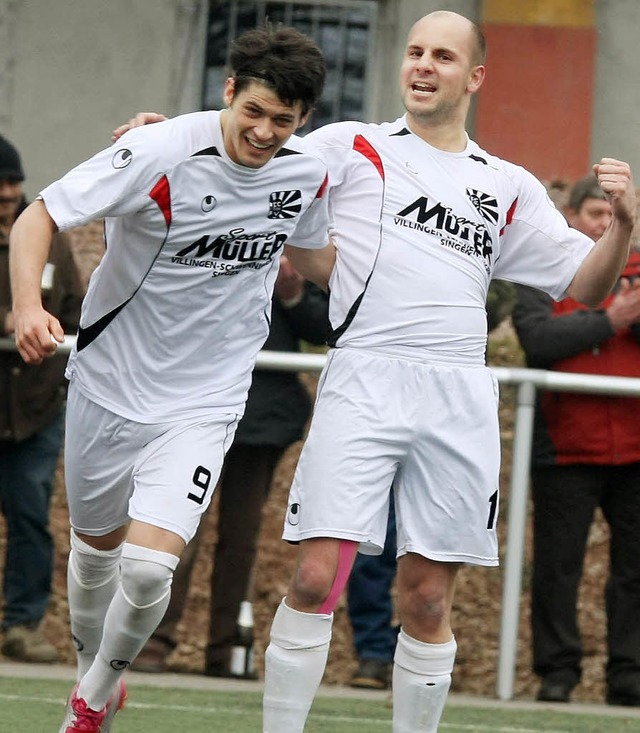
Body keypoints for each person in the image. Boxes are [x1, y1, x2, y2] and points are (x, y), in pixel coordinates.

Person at [117, 14, 636, 731]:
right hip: (363, 380)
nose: (424, 65)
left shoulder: (506, 183)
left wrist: (623, 227)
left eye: (444, 56)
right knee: (312, 576)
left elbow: (583, 284)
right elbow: (254, 137)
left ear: (474, 77)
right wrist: (162, 137)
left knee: (426, 599)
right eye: (416, 52)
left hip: (457, 392)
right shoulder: (348, 144)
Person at [9, 24, 332, 733]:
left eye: (283, 120)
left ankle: (90, 700)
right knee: (94, 555)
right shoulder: (158, 150)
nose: (265, 131)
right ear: (228, 92)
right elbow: (39, 215)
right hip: (108, 382)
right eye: (254, 111)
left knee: (149, 569)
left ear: (304, 119)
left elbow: (318, 257)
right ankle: (96, 665)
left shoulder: (308, 169)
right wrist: (29, 305)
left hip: (206, 397)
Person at [131, 256, 330, 677]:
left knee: (240, 542)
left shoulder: (300, 234)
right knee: (177, 531)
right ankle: (150, 640)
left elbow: (326, 327)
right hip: (194, 408)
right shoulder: (213, 224)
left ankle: (226, 650)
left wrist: (293, 293)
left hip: (262, 419)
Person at [512, 174, 640, 706]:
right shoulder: (541, 273)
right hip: (564, 447)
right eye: (592, 213)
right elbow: (537, 340)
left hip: (635, 449)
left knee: (634, 570)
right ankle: (557, 672)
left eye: (611, 214)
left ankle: (629, 674)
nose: (601, 223)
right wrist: (609, 320)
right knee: (555, 568)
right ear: (572, 216)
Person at [0, 135, 83, 664]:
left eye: (13, 183)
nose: (8, 194)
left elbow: (76, 308)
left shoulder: (48, 237)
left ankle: (22, 625)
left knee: (31, 516)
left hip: (35, 409)